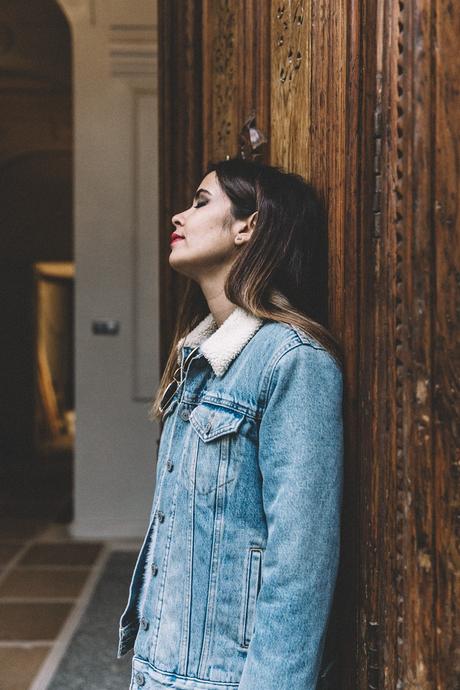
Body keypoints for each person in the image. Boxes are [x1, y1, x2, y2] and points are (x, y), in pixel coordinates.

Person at [117, 157, 344, 690]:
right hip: (161, 669)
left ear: (250, 225)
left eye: (200, 203)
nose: (179, 216)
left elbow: (300, 564)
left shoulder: (293, 361)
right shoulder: (195, 357)